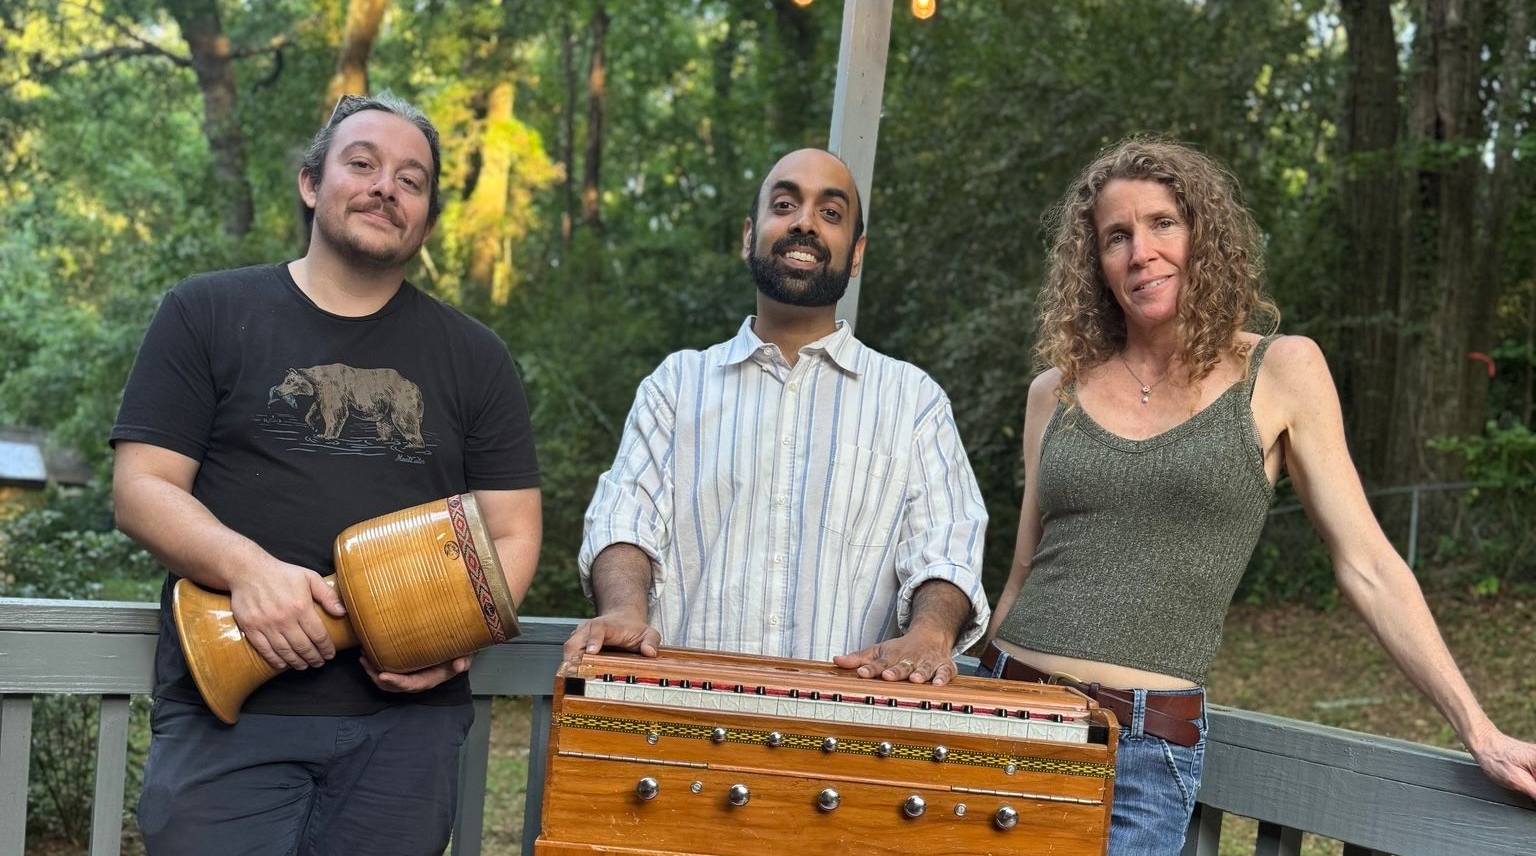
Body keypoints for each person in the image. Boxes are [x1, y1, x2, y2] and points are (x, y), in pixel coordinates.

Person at [984, 137, 1536, 854]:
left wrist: (1478, 728)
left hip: (1142, 752)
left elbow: (1367, 565)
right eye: (1116, 236)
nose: (1141, 251)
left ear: (1203, 236)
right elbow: (1023, 572)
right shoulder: (1053, 393)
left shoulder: (1280, 371)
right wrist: (965, 700)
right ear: (1094, 262)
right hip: (1005, 718)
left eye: (1162, 223)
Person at [111, 92, 542, 856]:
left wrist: (451, 636)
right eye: (363, 163)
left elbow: (511, 532)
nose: (387, 187)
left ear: (428, 220)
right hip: (228, 716)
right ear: (313, 183)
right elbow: (142, 489)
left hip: (408, 731)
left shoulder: (476, 357)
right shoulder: (204, 311)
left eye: (412, 180)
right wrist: (247, 568)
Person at [564, 147, 988, 685]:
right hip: (689, 714)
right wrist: (625, 610)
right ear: (750, 234)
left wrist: (931, 633)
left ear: (856, 254)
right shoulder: (675, 386)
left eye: (830, 213)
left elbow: (946, 546)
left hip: (848, 727)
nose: (805, 223)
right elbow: (623, 519)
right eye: (785, 204)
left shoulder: (913, 401)